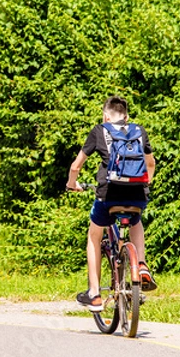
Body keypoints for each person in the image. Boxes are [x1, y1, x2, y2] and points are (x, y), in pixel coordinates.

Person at [66, 95, 157, 312]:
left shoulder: (100, 131)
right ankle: (141, 265)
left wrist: (72, 184)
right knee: (136, 222)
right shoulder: (139, 131)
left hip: (108, 197)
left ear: (106, 115)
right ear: (126, 116)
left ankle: (94, 294)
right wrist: (145, 184)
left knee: (93, 236)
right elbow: (151, 163)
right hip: (137, 196)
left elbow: (75, 166)